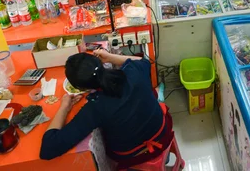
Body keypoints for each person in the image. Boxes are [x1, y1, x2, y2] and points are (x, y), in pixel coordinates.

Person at [39, 51, 172, 168]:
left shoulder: (94, 107)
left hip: (132, 154)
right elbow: (144, 62)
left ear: (80, 88)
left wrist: (64, 107)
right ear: (101, 64)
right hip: (161, 130)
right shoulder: (133, 71)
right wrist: (110, 57)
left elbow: (49, 148)